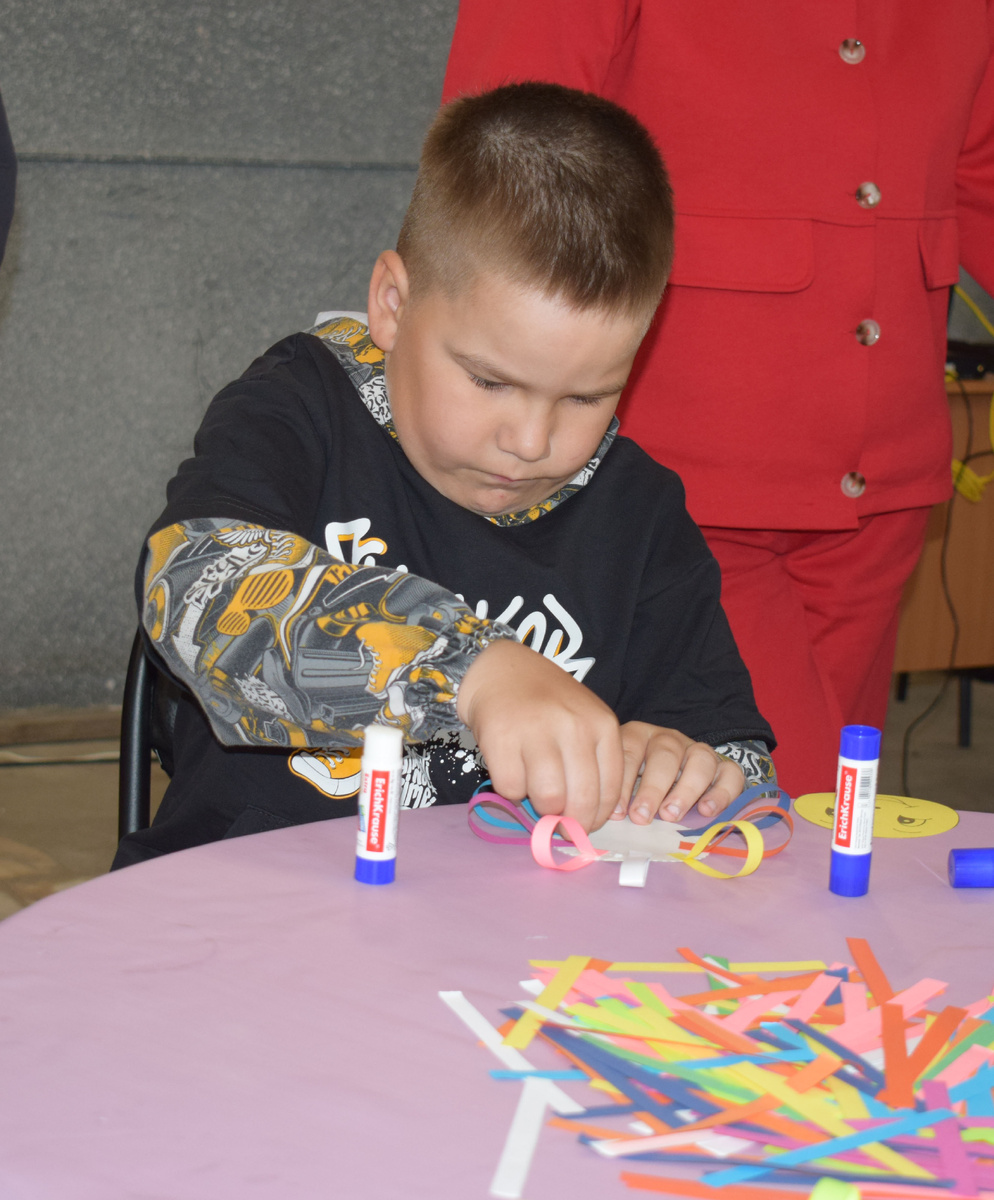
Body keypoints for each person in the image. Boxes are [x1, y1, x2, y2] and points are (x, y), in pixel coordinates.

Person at [113, 83, 774, 868]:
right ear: (392, 304)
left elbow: (736, 761)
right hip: (252, 909)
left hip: (510, 953)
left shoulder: (641, 514)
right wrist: (473, 670)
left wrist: (688, 772)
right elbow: (193, 585)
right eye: (489, 382)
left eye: (587, 396)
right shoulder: (303, 404)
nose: (531, 441)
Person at [442, 1, 994, 796]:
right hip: (684, 483)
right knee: (759, 825)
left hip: (884, 485)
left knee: (840, 814)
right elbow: (504, 158)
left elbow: (978, 171)